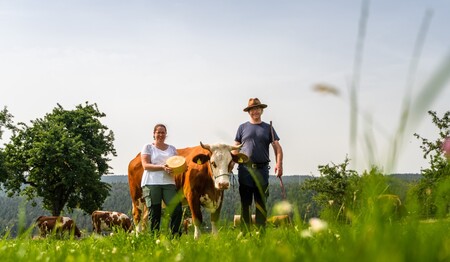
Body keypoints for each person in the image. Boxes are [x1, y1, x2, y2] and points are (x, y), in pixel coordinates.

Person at [234, 98, 284, 234]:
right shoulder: (242, 127)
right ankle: (244, 232)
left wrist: (279, 164)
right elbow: (235, 149)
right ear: (249, 112)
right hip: (245, 170)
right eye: (252, 109)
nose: (255, 111)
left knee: (261, 203)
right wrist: (230, 163)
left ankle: (260, 233)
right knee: (245, 203)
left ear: (261, 110)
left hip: (262, 170)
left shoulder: (268, 128)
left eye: (257, 108)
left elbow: (278, 149)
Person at [141, 123, 182, 237]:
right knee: (155, 212)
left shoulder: (172, 149)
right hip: (151, 182)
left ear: (166, 134)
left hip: (169, 183)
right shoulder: (148, 147)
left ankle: (175, 237)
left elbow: (176, 165)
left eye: (163, 132)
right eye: (158, 132)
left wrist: (181, 168)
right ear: (154, 134)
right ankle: (155, 238)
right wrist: (162, 167)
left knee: (176, 210)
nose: (160, 134)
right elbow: (145, 165)